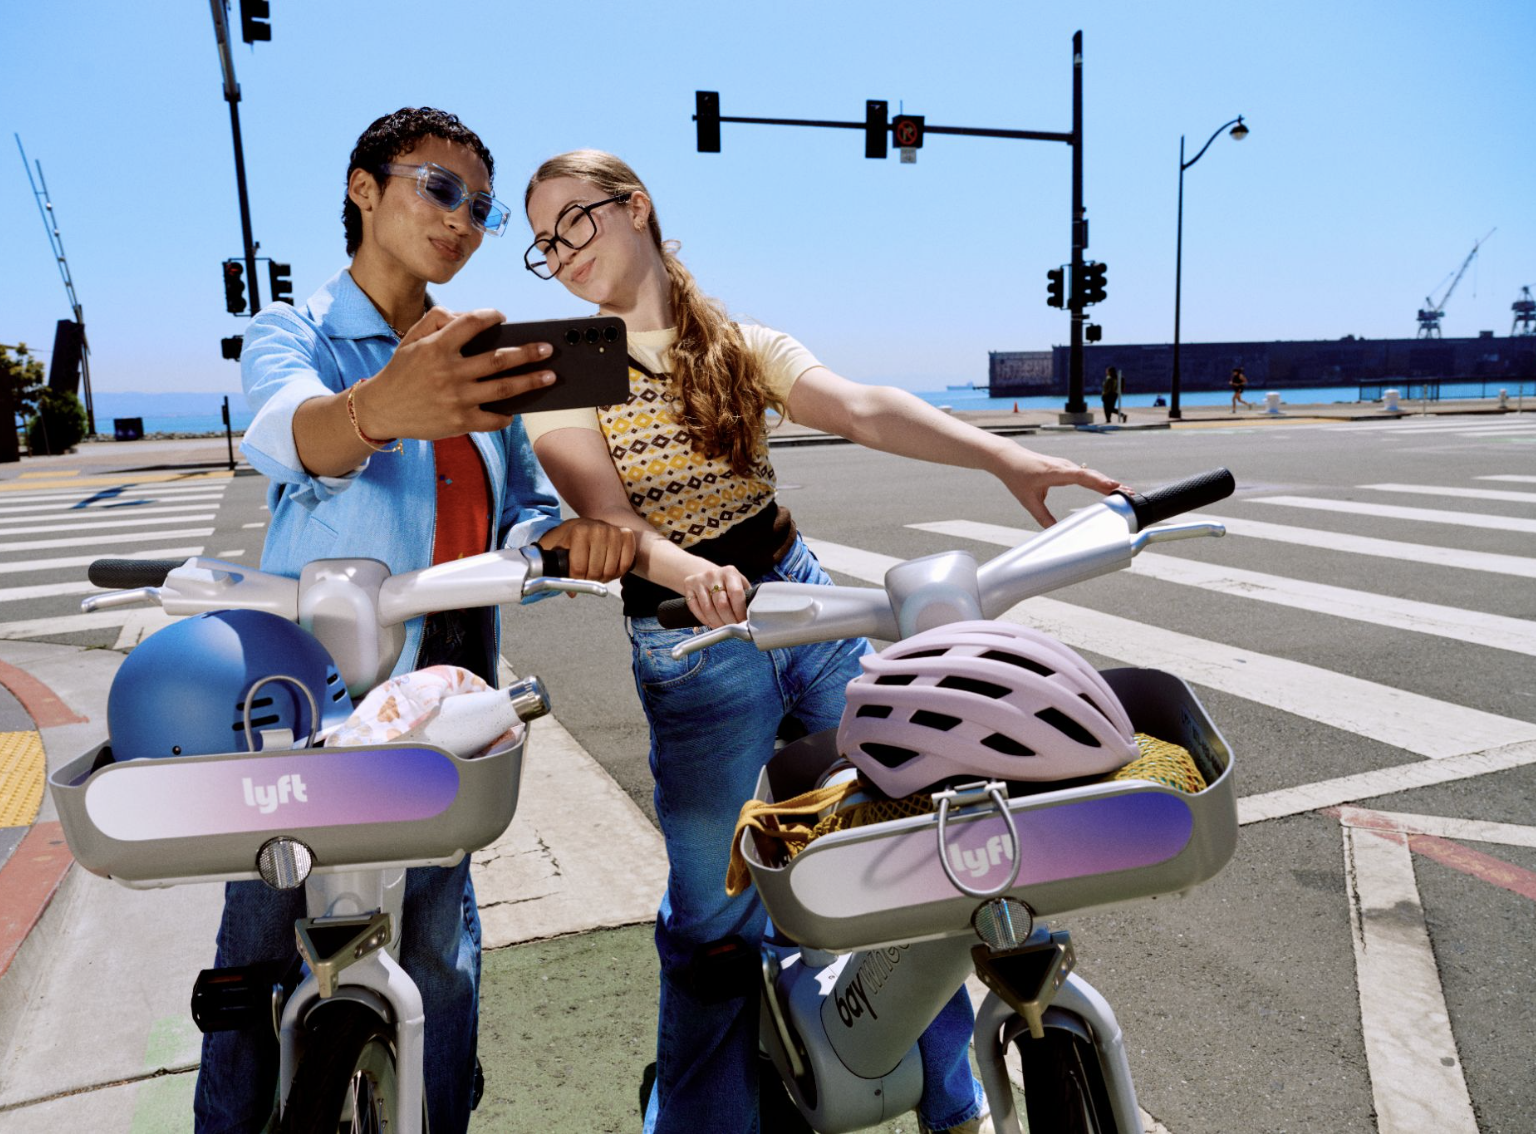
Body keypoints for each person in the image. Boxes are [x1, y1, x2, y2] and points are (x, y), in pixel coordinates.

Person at [518, 150, 1124, 1134]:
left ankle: (950, 1098)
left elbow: (860, 406)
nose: (560, 253)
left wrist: (1005, 457)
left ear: (635, 208)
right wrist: (692, 576)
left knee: (921, 835)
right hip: (692, 642)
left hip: (807, 605)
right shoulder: (565, 364)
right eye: (544, 245)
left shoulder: (733, 341)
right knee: (714, 920)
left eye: (573, 224)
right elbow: (610, 519)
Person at [202, 108, 634, 1134]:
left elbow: (521, 504)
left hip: (450, 690)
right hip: (310, 694)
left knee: (441, 946)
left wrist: (560, 543)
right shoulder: (297, 330)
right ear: (364, 189)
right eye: (439, 189)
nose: (464, 220)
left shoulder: (479, 358)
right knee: (257, 935)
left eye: (479, 207)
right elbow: (284, 434)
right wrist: (381, 408)